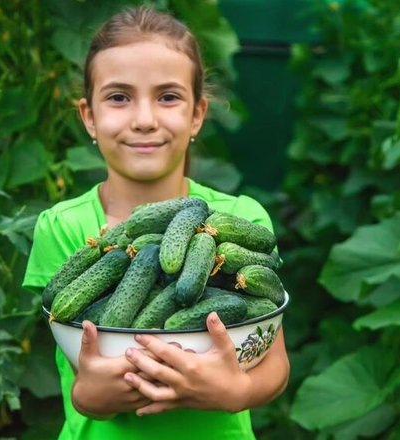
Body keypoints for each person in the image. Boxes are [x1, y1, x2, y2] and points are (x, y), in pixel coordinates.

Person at [22, 5, 290, 439]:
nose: (144, 120)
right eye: (119, 97)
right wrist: (100, 392)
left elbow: (274, 365)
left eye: (167, 97)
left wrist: (235, 390)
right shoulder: (65, 227)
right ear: (89, 116)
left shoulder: (241, 219)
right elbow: (83, 388)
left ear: (197, 115)